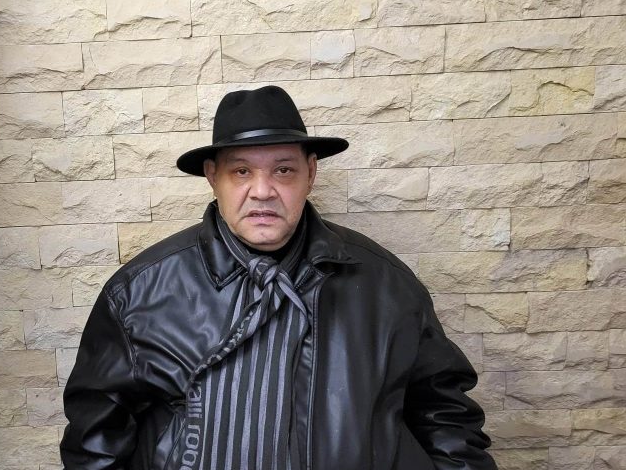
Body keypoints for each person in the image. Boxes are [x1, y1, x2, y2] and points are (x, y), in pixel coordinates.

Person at [60, 85, 496, 470]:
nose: (263, 190)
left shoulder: (385, 286)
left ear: (311, 173)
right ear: (213, 177)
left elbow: (445, 418)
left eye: (283, 170)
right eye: (241, 171)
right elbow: (95, 445)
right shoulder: (140, 292)